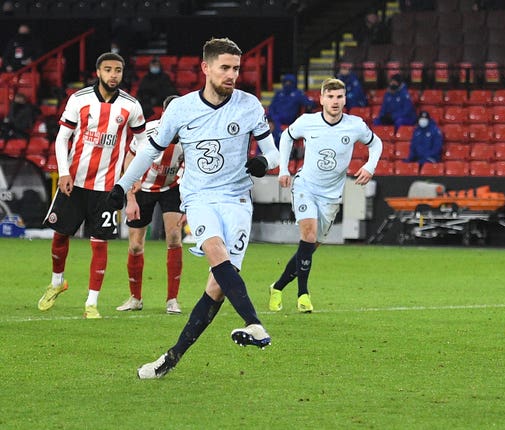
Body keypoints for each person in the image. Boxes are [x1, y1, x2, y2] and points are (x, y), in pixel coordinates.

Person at [106, 37, 280, 379]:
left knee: (217, 287)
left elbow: (273, 153)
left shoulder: (249, 105)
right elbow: (148, 151)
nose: (232, 75)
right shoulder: (182, 109)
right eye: (225, 68)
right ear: (206, 68)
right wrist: (122, 186)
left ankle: (170, 359)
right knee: (216, 252)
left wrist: (262, 162)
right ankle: (255, 324)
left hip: (238, 201)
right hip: (199, 198)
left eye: (236, 69)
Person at [37, 52, 146, 318]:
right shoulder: (79, 99)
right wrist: (64, 173)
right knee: (60, 235)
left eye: (118, 70)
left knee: (100, 243)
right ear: (98, 72)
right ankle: (56, 283)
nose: (113, 75)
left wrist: (131, 175)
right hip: (74, 182)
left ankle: (91, 303)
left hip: (108, 187)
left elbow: (143, 142)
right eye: (108, 69)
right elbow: (62, 138)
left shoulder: (131, 106)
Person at [268, 77, 383, 313]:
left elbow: (376, 143)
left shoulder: (355, 125)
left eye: (339, 97)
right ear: (321, 99)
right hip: (305, 187)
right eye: (330, 96)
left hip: (331, 196)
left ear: (344, 99)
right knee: (308, 235)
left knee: (309, 247)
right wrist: (283, 168)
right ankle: (303, 294)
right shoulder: (307, 122)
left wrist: (370, 166)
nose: (335, 101)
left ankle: (277, 287)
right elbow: (288, 137)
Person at [117, 95, 184, 315]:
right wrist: (130, 198)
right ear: (164, 113)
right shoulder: (146, 132)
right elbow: (129, 159)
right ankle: (135, 298)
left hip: (171, 188)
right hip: (142, 189)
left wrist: (188, 205)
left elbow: (194, 169)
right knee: (136, 245)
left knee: (174, 239)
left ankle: (172, 300)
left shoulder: (191, 135)